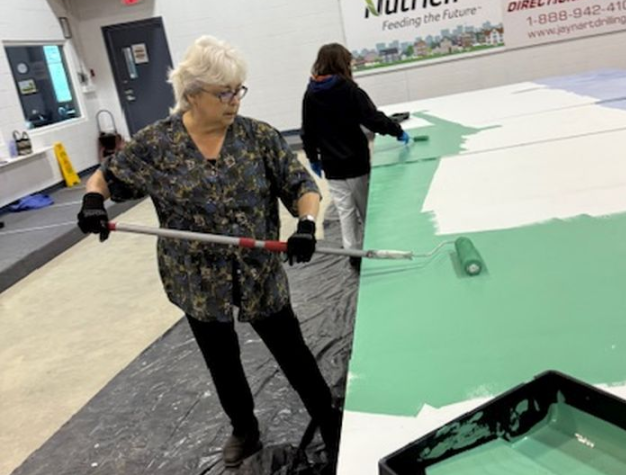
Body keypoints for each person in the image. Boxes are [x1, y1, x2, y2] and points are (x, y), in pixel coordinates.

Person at [76, 36, 340, 469]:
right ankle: (244, 428)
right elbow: (105, 178)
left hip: (258, 273)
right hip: (196, 281)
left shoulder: (258, 137)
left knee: (292, 351)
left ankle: (328, 419)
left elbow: (301, 186)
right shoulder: (157, 145)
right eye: (224, 93)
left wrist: (307, 224)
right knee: (222, 361)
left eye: (238, 90)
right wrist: (92, 203)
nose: (235, 101)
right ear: (193, 92)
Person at [301, 43, 409, 270]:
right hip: (356, 163)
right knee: (366, 209)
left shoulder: (311, 93)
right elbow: (373, 118)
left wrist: (313, 158)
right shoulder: (349, 90)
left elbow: (308, 130)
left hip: (331, 165)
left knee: (345, 211)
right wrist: (397, 131)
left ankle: (354, 254)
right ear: (342, 63)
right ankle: (376, 248)